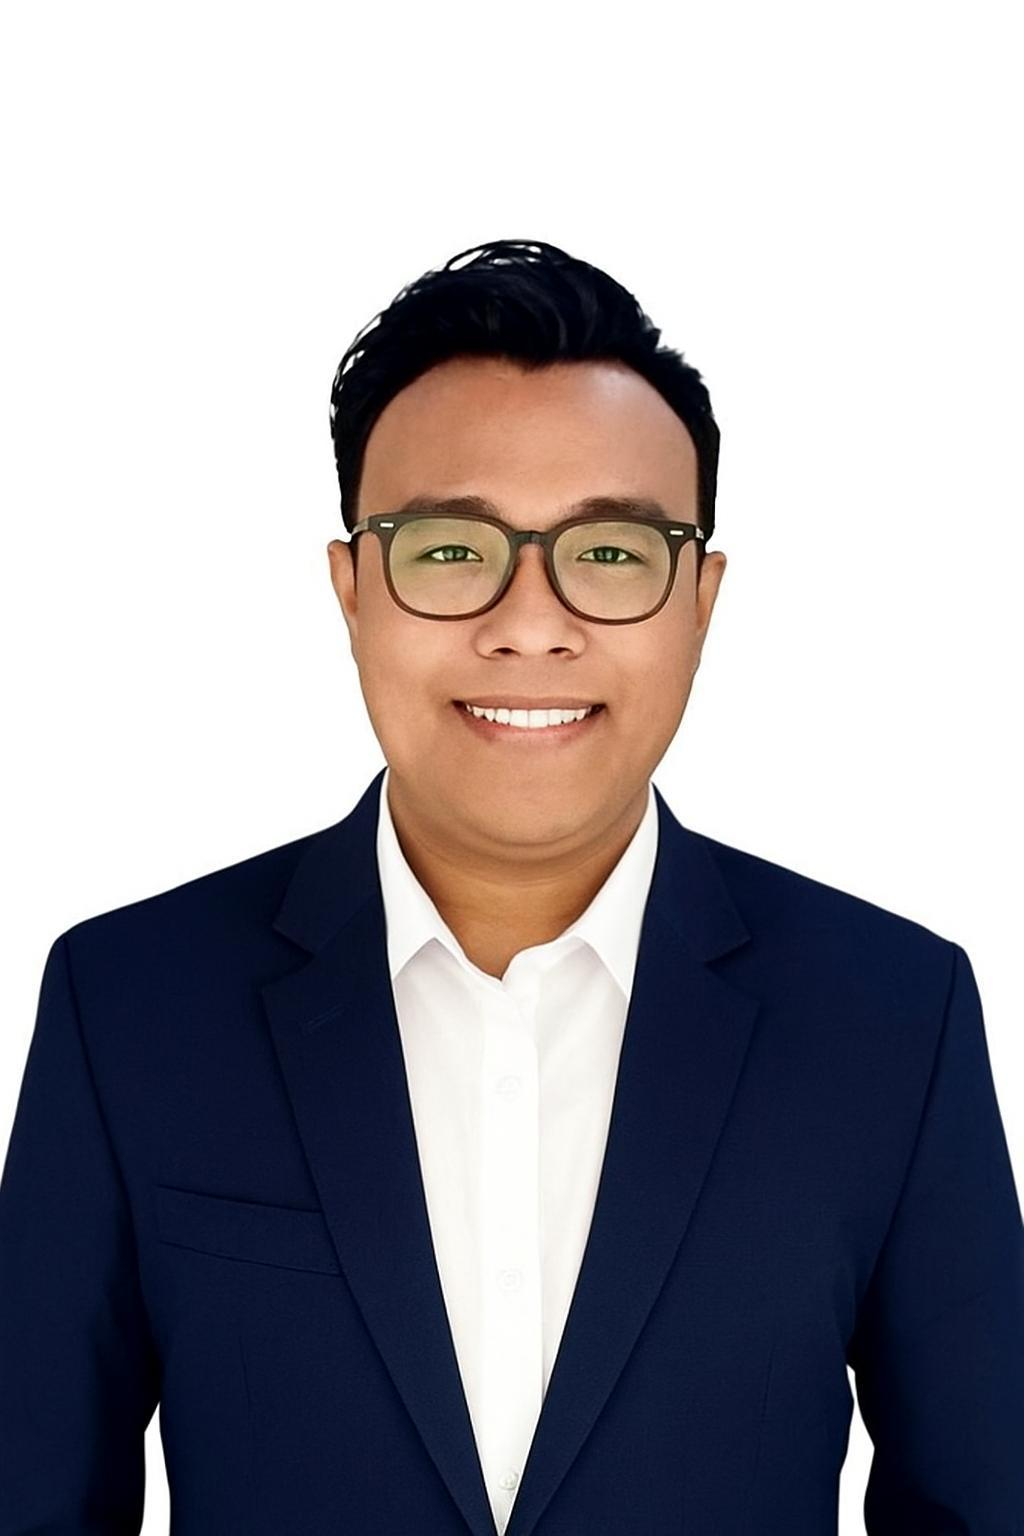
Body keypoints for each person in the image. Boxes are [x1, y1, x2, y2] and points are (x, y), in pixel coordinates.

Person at [1, 238, 1021, 1536]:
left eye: (612, 554)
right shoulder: (131, 1002)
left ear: (701, 601)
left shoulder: (891, 1015)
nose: (531, 625)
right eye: (448, 551)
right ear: (352, 591)